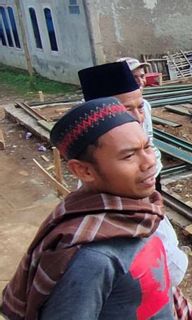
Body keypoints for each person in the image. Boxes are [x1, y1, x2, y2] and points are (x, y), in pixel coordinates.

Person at [1, 98, 173, 319]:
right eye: (129, 155)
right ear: (84, 171)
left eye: (147, 146)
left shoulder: (140, 213)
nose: (149, 161)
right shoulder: (91, 259)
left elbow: (158, 290)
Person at [78, 62, 189, 294]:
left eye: (139, 106)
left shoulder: (137, 184)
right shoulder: (94, 250)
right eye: (126, 109)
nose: (138, 117)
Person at [116, 57, 164, 191]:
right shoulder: (111, 111)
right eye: (133, 77)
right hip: (134, 176)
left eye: (142, 76)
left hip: (153, 170)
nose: (139, 81)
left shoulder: (146, 106)